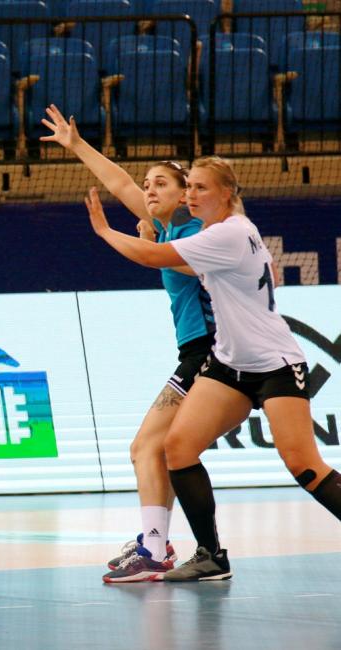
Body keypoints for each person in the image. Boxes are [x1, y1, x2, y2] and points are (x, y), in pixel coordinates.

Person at [84, 155, 341, 581]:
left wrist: (104, 231)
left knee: (304, 465)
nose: (192, 195)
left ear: (227, 193)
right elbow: (135, 200)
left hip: (273, 363)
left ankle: (161, 546)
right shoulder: (212, 231)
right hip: (228, 363)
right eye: (190, 188)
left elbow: (153, 256)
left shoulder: (229, 233)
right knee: (177, 448)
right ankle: (211, 555)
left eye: (201, 188)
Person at [41, 105, 213, 582]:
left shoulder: (197, 232)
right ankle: (158, 543)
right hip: (195, 352)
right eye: (148, 184)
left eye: (160, 184)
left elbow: (170, 261)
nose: (148, 190)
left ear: (186, 196)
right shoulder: (170, 226)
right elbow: (118, 184)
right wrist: (76, 146)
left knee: (146, 447)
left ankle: (159, 548)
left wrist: (112, 234)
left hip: (211, 351)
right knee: (157, 449)